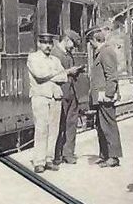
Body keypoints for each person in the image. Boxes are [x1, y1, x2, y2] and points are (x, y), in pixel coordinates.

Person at [26, 32, 74, 173]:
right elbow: (39, 75)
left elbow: (64, 77)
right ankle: (39, 161)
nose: (48, 46)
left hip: (55, 97)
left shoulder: (54, 59)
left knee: (54, 130)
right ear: (39, 44)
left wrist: (52, 75)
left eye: (50, 43)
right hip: (41, 97)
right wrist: (55, 74)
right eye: (45, 43)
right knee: (41, 129)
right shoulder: (33, 57)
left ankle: (49, 159)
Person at [85, 26, 123, 168]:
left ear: (95, 39)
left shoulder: (106, 52)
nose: (90, 45)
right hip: (100, 97)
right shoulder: (101, 52)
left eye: (90, 42)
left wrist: (109, 94)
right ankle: (105, 155)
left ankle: (113, 157)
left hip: (105, 97)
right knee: (101, 126)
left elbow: (111, 75)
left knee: (108, 126)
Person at [52, 30, 85, 165]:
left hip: (72, 92)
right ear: (66, 40)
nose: (73, 48)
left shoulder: (68, 53)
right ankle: (57, 154)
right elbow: (52, 74)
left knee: (71, 123)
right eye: (72, 44)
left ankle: (68, 153)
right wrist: (69, 72)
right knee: (59, 124)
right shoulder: (55, 54)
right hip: (60, 92)